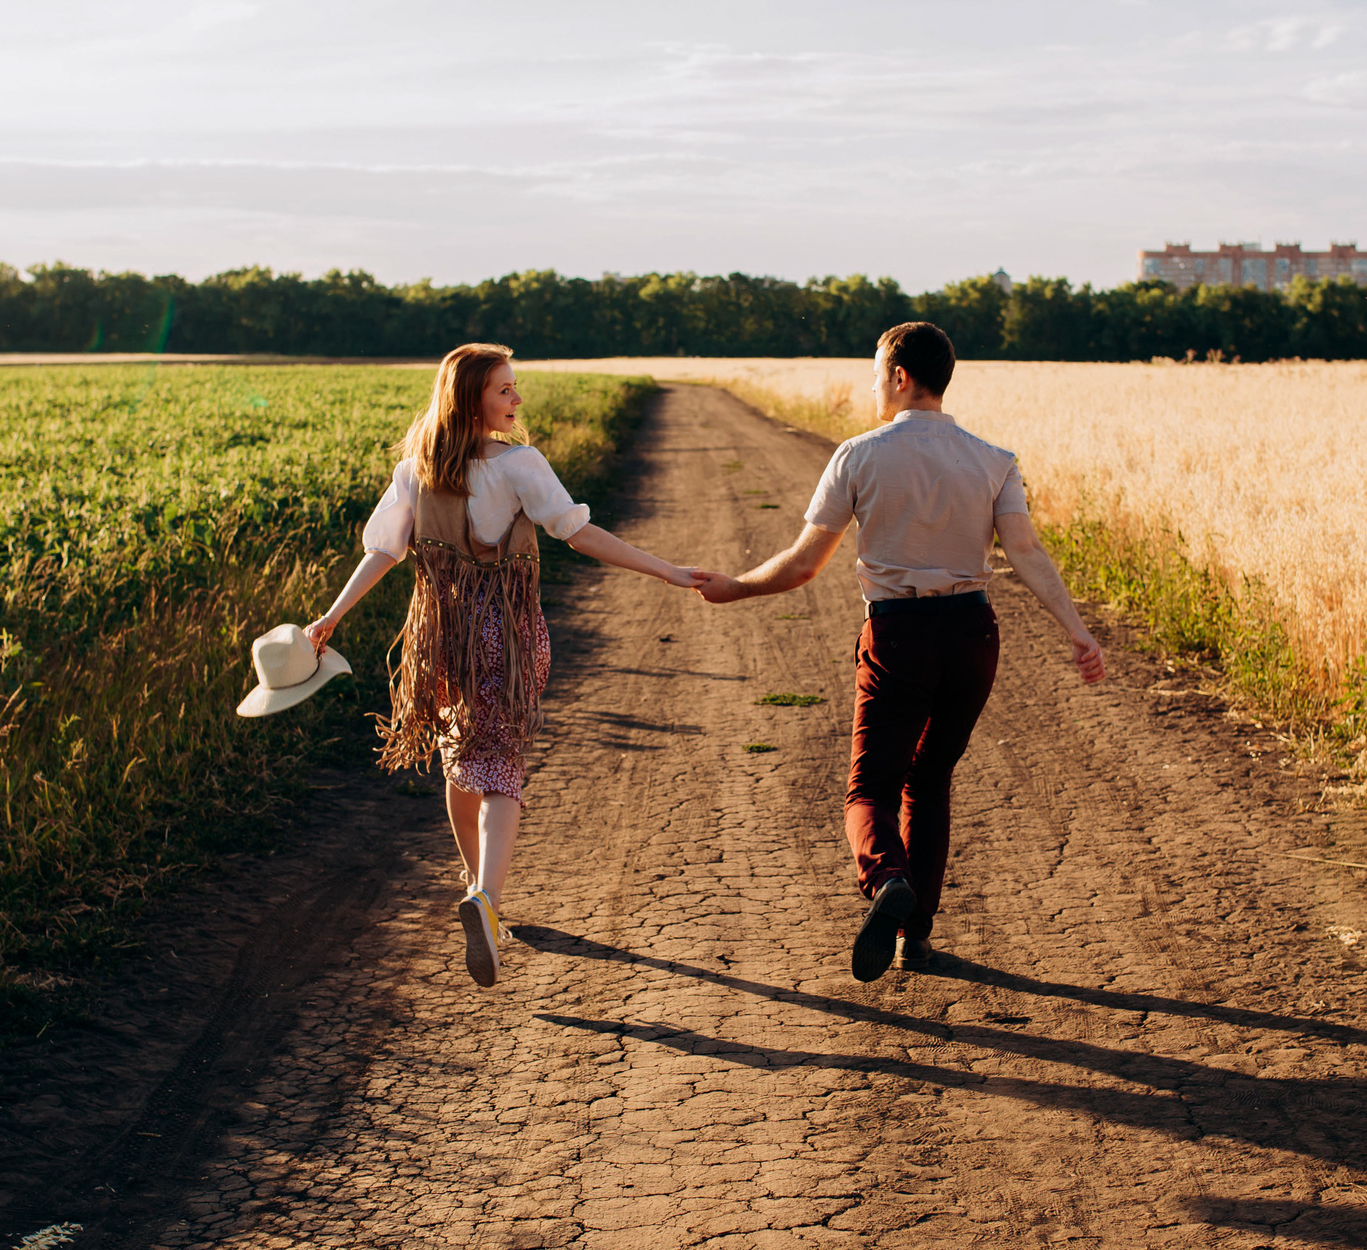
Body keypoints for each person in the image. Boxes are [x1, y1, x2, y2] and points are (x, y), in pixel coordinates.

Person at [698, 323, 1105, 980]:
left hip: (899, 634)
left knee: (870, 789)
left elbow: (804, 564)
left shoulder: (859, 455)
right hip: (973, 634)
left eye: (875, 371)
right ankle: (914, 939)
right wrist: (1078, 631)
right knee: (931, 777)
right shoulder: (994, 457)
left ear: (899, 376)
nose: (871, 384)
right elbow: (1026, 553)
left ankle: (887, 878)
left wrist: (736, 586)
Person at [306, 344, 703, 987]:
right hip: (508, 637)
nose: (517, 400)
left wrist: (331, 616)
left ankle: (476, 888)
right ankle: (486, 900)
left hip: (440, 641)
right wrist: (666, 569)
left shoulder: (415, 472)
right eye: (505, 390)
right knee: (501, 766)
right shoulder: (520, 465)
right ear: (473, 400)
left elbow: (382, 554)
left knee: (461, 760)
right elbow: (579, 533)